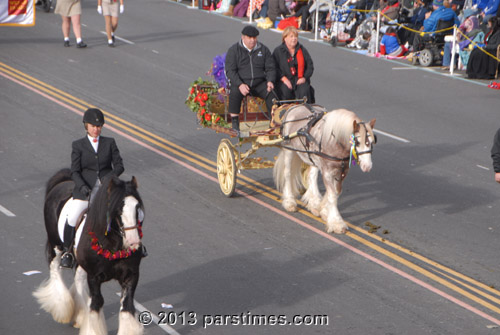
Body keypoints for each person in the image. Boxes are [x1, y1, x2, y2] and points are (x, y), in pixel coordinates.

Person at [60, 108, 124, 268]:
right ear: (86, 126)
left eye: (99, 126)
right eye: (93, 126)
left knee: (127, 211)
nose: (96, 129)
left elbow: (119, 166)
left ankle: (134, 245)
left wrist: (109, 178)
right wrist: (82, 187)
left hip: (107, 189)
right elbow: (75, 171)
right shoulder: (78, 145)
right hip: (86, 190)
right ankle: (67, 251)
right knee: (73, 215)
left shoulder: (110, 142)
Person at [225, 26, 277, 131]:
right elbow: (230, 71)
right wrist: (240, 84)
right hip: (242, 83)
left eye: (254, 37)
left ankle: (273, 122)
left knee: (272, 94)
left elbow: (271, 68)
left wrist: (270, 81)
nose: (252, 40)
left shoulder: (263, 50)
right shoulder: (234, 50)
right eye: (249, 37)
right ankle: (235, 122)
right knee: (234, 93)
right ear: (243, 37)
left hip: (259, 83)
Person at [273, 26, 314, 103]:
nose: (294, 39)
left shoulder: (302, 50)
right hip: (284, 79)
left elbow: (310, 66)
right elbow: (274, 67)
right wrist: (283, 79)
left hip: (299, 79)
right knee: (284, 91)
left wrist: (304, 78)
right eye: (291, 36)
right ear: (285, 38)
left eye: (295, 36)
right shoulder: (278, 51)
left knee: (304, 91)